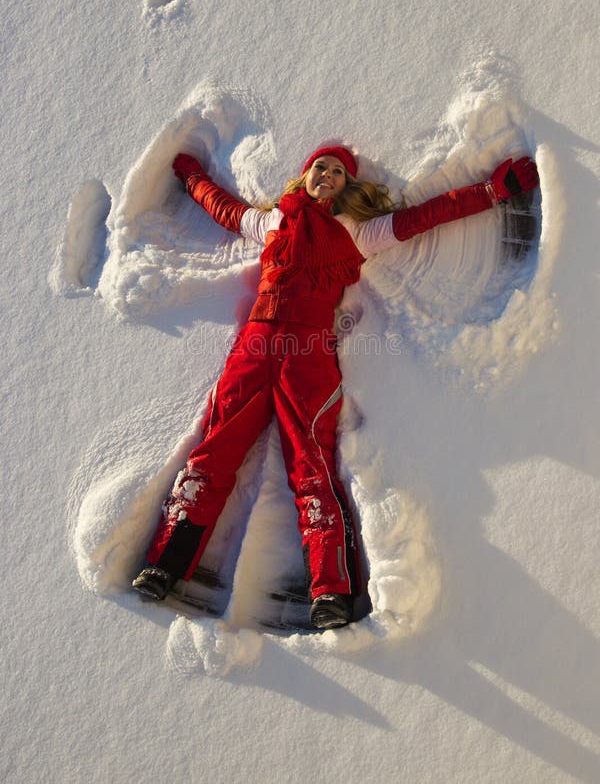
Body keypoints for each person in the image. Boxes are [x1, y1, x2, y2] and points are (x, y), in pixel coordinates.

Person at [132, 145, 539, 629]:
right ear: (303, 177)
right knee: (214, 451)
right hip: (255, 350)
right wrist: (192, 174)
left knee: (312, 470)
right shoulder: (273, 224)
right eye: (319, 167)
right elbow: (222, 207)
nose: (326, 174)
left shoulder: (359, 233)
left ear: (347, 186)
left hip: (308, 359)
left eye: (338, 172)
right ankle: (165, 564)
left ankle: (331, 591)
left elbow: (430, 215)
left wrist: (493, 190)